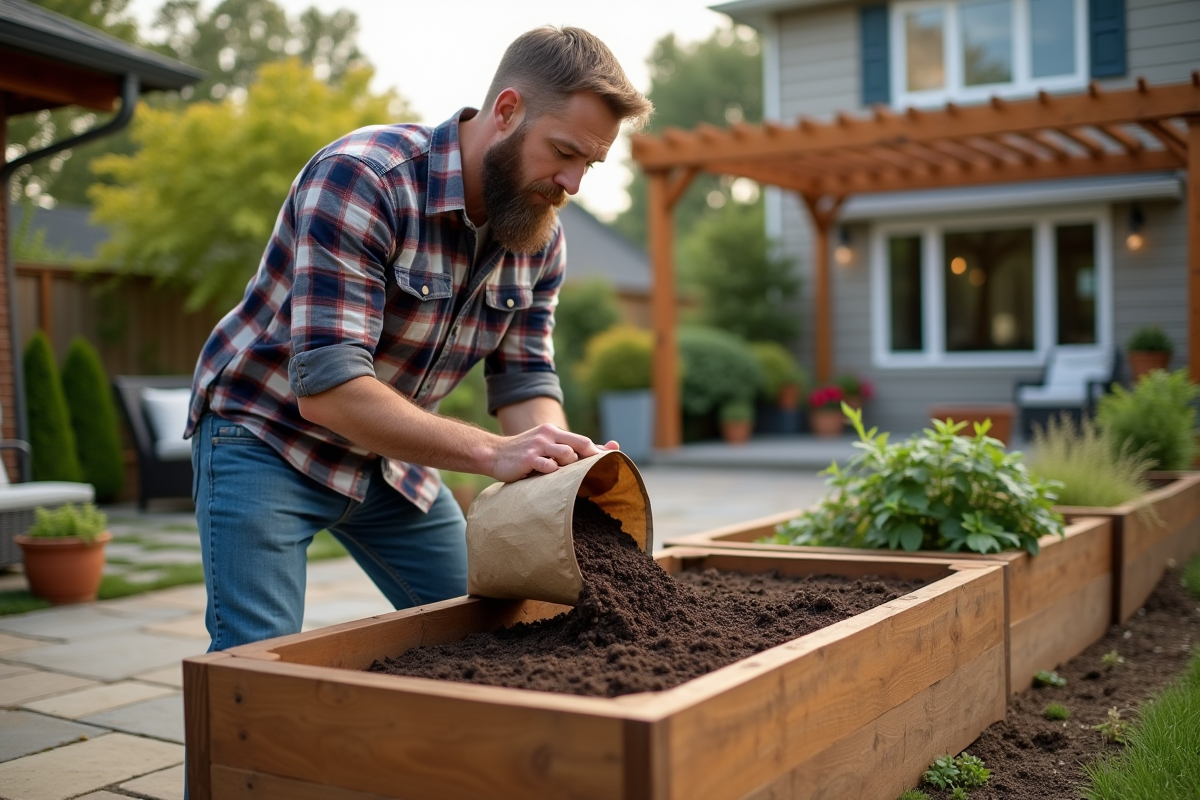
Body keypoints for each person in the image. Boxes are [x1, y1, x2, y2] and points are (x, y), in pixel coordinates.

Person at [186, 26, 654, 653]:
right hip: (267, 438)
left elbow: (525, 378)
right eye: (564, 152)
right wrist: (495, 454)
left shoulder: (539, 237)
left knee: (500, 634)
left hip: (391, 461)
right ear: (508, 111)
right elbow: (327, 389)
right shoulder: (364, 179)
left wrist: (560, 465)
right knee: (256, 677)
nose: (573, 184)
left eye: (589, 164)